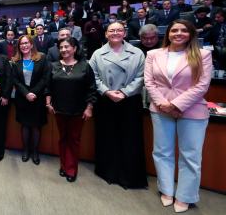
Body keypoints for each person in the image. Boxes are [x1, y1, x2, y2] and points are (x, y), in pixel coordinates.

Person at [144, 19, 212, 213]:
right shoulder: (153, 54)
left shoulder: (203, 54)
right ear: (168, 34)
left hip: (192, 111)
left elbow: (202, 85)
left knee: (190, 156)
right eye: (174, 30)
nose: (178, 34)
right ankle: (166, 190)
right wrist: (163, 104)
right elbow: (149, 82)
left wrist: (175, 104)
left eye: (183, 30)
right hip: (160, 110)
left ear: (191, 33)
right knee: (162, 152)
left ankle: (185, 196)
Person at [88, 22, 148, 189]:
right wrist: (107, 92)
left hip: (129, 101)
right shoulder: (98, 54)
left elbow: (141, 76)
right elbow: (92, 76)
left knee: (129, 139)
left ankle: (129, 176)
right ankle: (107, 172)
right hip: (106, 100)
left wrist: (124, 92)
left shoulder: (137, 53)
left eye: (119, 30)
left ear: (125, 33)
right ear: (106, 33)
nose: (115, 33)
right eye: (111, 30)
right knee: (106, 137)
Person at [45, 36, 96, 182]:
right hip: (59, 109)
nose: (63, 50)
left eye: (67, 46)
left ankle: (71, 169)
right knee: (62, 139)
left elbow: (91, 89)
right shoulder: (54, 66)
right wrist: (48, 104)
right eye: (61, 47)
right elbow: (49, 87)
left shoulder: (84, 66)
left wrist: (89, 107)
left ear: (75, 48)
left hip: (78, 110)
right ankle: (63, 165)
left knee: (74, 140)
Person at [11, 35, 48, 165]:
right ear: (19, 47)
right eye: (21, 44)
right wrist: (26, 93)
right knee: (25, 125)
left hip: (37, 98)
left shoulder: (42, 58)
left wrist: (34, 92)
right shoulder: (15, 61)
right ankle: (26, 150)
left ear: (32, 44)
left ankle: (35, 152)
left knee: (36, 126)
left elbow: (45, 77)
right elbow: (14, 79)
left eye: (27, 43)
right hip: (22, 97)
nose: (24, 46)